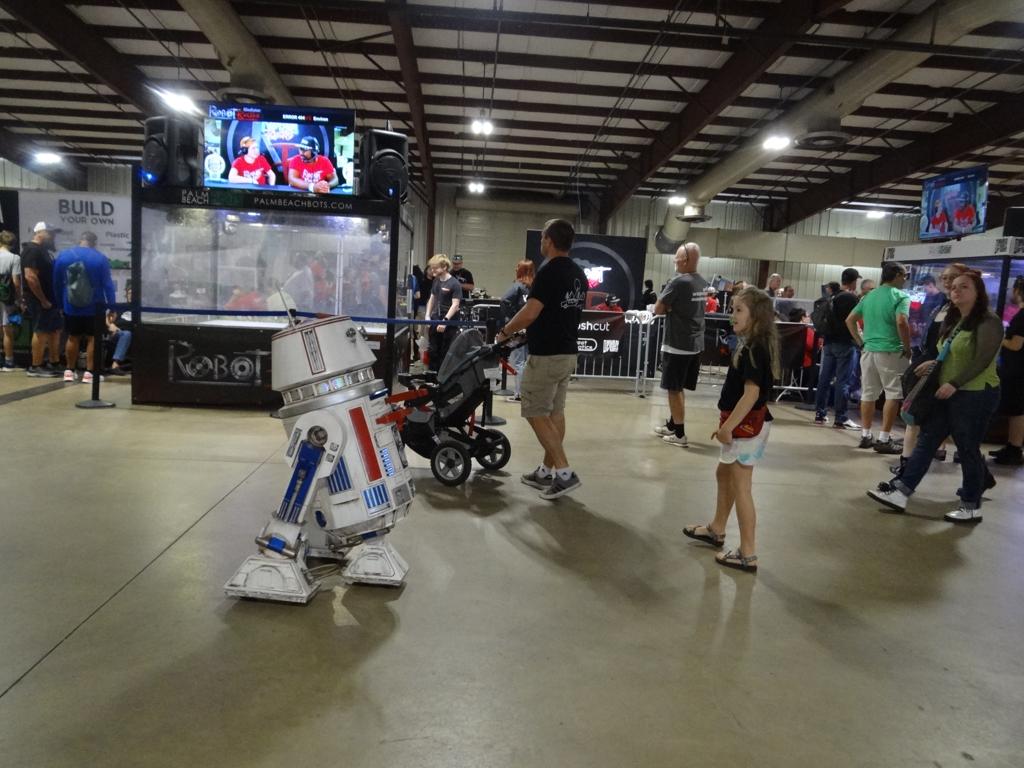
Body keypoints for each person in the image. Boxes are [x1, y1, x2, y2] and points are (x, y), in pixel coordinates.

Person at [867, 270, 1003, 524]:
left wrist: (955, 383)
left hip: (976, 393)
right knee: (928, 438)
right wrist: (934, 364)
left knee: (967, 446)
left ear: (978, 292)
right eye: (954, 286)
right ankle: (901, 491)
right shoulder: (956, 319)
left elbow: (982, 359)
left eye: (964, 287)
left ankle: (971, 505)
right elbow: (950, 353)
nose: (956, 290)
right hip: (946, 391)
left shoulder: (988, 321)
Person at [682, 287, 780, 572]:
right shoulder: (751, 344)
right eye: (732, 309)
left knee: (741, 486)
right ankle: (717, 528)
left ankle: (748, 553)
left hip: (746, 428)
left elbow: (751, 394)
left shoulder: (753, 349)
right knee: (723, 474)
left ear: (756, 316)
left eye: (739, 310)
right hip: (744, 424)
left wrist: (727, 427)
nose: (732, 315)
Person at [495, 218, 586, 500]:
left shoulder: (548, 272)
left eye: (543, 237)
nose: (541, 242)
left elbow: (531, 312)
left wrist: (505, 331)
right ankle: (547, 471)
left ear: (549, 240)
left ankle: (564, 473)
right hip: (568, 352)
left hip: (547, 354)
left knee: (535, 411)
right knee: (555, 413)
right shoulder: (578, 274)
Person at [893, 263, 968, 474]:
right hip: (930, 365)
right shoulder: (942, 305)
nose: (949, 282)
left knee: (952, 425)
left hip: (946, 370)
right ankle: (908, 465)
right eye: (945, 278)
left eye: (953, 278)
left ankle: (911, 467)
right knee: (918, 415)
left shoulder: (967, 313)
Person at [845, 261, 911, 454]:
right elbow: (902, 321)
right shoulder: (900, 296)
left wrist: (860, 341)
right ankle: (884, 438)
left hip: (868, 351)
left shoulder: (869, 296)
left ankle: (866, 435)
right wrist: (907, 347)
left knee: (868, 393)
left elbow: (850, 320)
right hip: (892, 350)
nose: (905, 280)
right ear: (897, 275)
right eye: (905, 275)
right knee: (893, 394)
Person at [652, 242, 707, 447]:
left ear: (684, 260)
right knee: (679, 387)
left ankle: (680, 434)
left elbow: (658, 309)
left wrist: (669, 307)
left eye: (676, 257)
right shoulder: (702, 282)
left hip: (677, 343)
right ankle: (673, 425)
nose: (674, 261)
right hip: (695, 343)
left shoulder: (678, 282)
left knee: (673, 389)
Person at [52, 232, 116, 383]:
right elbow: (108, 285)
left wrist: (60, 304)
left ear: (80, 240)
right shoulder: (100, 258)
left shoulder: (64, 256)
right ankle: (89, 373)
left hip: (70, 305)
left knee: (72, 336)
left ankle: (69, 370)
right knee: (93, 338)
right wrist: (112, 307)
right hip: (95, 306)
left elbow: (56, 283)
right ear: (94, 243)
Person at [814, 268, 861, 428]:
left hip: (829, 343)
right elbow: (854, 320)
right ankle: (841, 417)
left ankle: (820, 414)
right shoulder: (850, 298)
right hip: (845, 343)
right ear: (854, 281)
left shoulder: (832, 296)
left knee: (825, 379)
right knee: (843, 381)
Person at [20, 221, 62, 377]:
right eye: (50, 233)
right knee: (41, 331)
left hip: (49, 299)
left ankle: (54, 362)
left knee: (54, 330)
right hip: (39, 299)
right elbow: (30, 277)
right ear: (39, 233)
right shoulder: (32, 250)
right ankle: (35, 366)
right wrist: (43, 300)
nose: (53, 236)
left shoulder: (43, 251)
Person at [990, 275, 1024, 466]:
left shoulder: (1022, 316)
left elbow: (1016, 345)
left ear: (1018, 291)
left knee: (1016, 410)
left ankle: (1014, 448)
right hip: (1015, 369)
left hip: (1016, 371)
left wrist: (1000, 339)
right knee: (1015, 410)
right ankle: (1012, 446)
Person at [501, 260, 535, 403]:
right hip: (531, 328)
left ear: (521, 270)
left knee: (520, 362)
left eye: (517, 267)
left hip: (519, 329)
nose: (515, 269)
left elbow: (504, 300)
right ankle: (527, 392)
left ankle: (519, 394)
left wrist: (512, 319)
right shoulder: (534, 287)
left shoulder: (517, 286)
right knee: (528, 362)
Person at [425, 253, 462, 372]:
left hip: (449, 321)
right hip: (436, 318)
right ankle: (432, 376)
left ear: (444, 267)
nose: (432, 270)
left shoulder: (454, 284)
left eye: (435, 268)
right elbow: (432, 298)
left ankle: (442, 378)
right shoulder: (436, 281)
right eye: (432, 268)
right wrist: (427, 316)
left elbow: (455, 305)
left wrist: (445, 321)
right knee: (433, 350)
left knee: (445, 351)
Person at [0, 230, 22, 371]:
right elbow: (16, 282)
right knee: (7, 329)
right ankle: (9, 361)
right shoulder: (14, 258)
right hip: (6, 297)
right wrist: (19, 299)